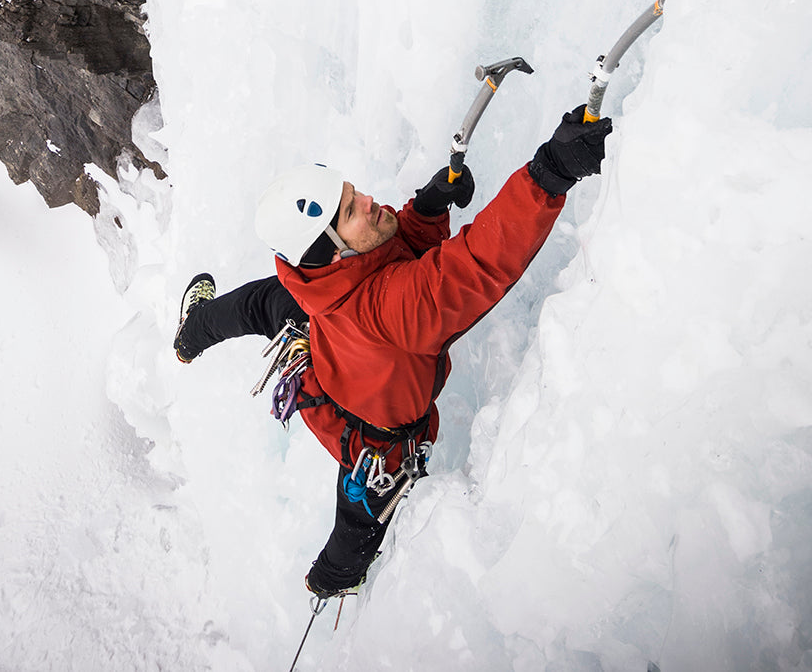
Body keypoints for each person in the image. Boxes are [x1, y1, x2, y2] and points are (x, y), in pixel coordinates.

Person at [174, 105, 611, 600]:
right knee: (358, 523)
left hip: (327, 341)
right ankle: (333, 580)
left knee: (265, 301)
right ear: (335, 250)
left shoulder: (315, 279)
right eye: (351, 210)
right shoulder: (392, 309)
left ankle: (193, 332)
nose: (367, 200)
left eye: (352, 193)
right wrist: (549, 174)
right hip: (377, 445)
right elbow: (472, 266)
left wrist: (423, 212)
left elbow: (383, 255)